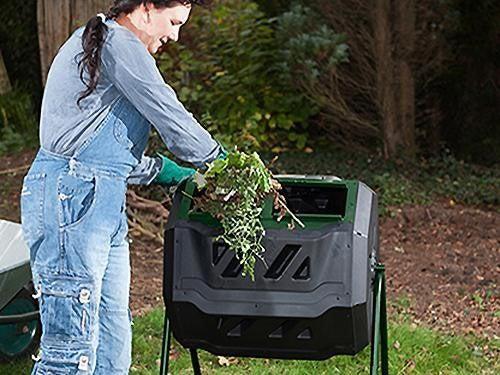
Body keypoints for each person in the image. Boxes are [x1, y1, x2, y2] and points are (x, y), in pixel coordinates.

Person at [20, 1, 224, 373]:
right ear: (146, 9)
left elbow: (101, 155)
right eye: (174, 22)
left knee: (113, 338)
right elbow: (168, 112)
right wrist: (219, 162)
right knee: (71, 348)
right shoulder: (119, 44)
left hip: (98, 202)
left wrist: (163, 170)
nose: (175, 35)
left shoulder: (107, 41)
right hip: (71, 202)